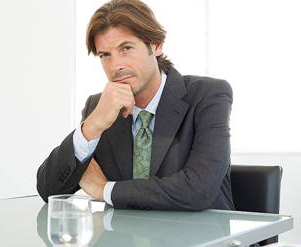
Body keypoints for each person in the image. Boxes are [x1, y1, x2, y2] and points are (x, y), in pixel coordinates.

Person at [36, 0, 234, 211]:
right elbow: (49, 191)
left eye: (126, 48)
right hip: (126, 240)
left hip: (205, 238)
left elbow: (198, 190)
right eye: (105, 55)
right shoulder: (100, 106)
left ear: (156, 45)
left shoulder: (207, 95)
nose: (116, 66)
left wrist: (104, 189)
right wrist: (91, 126)